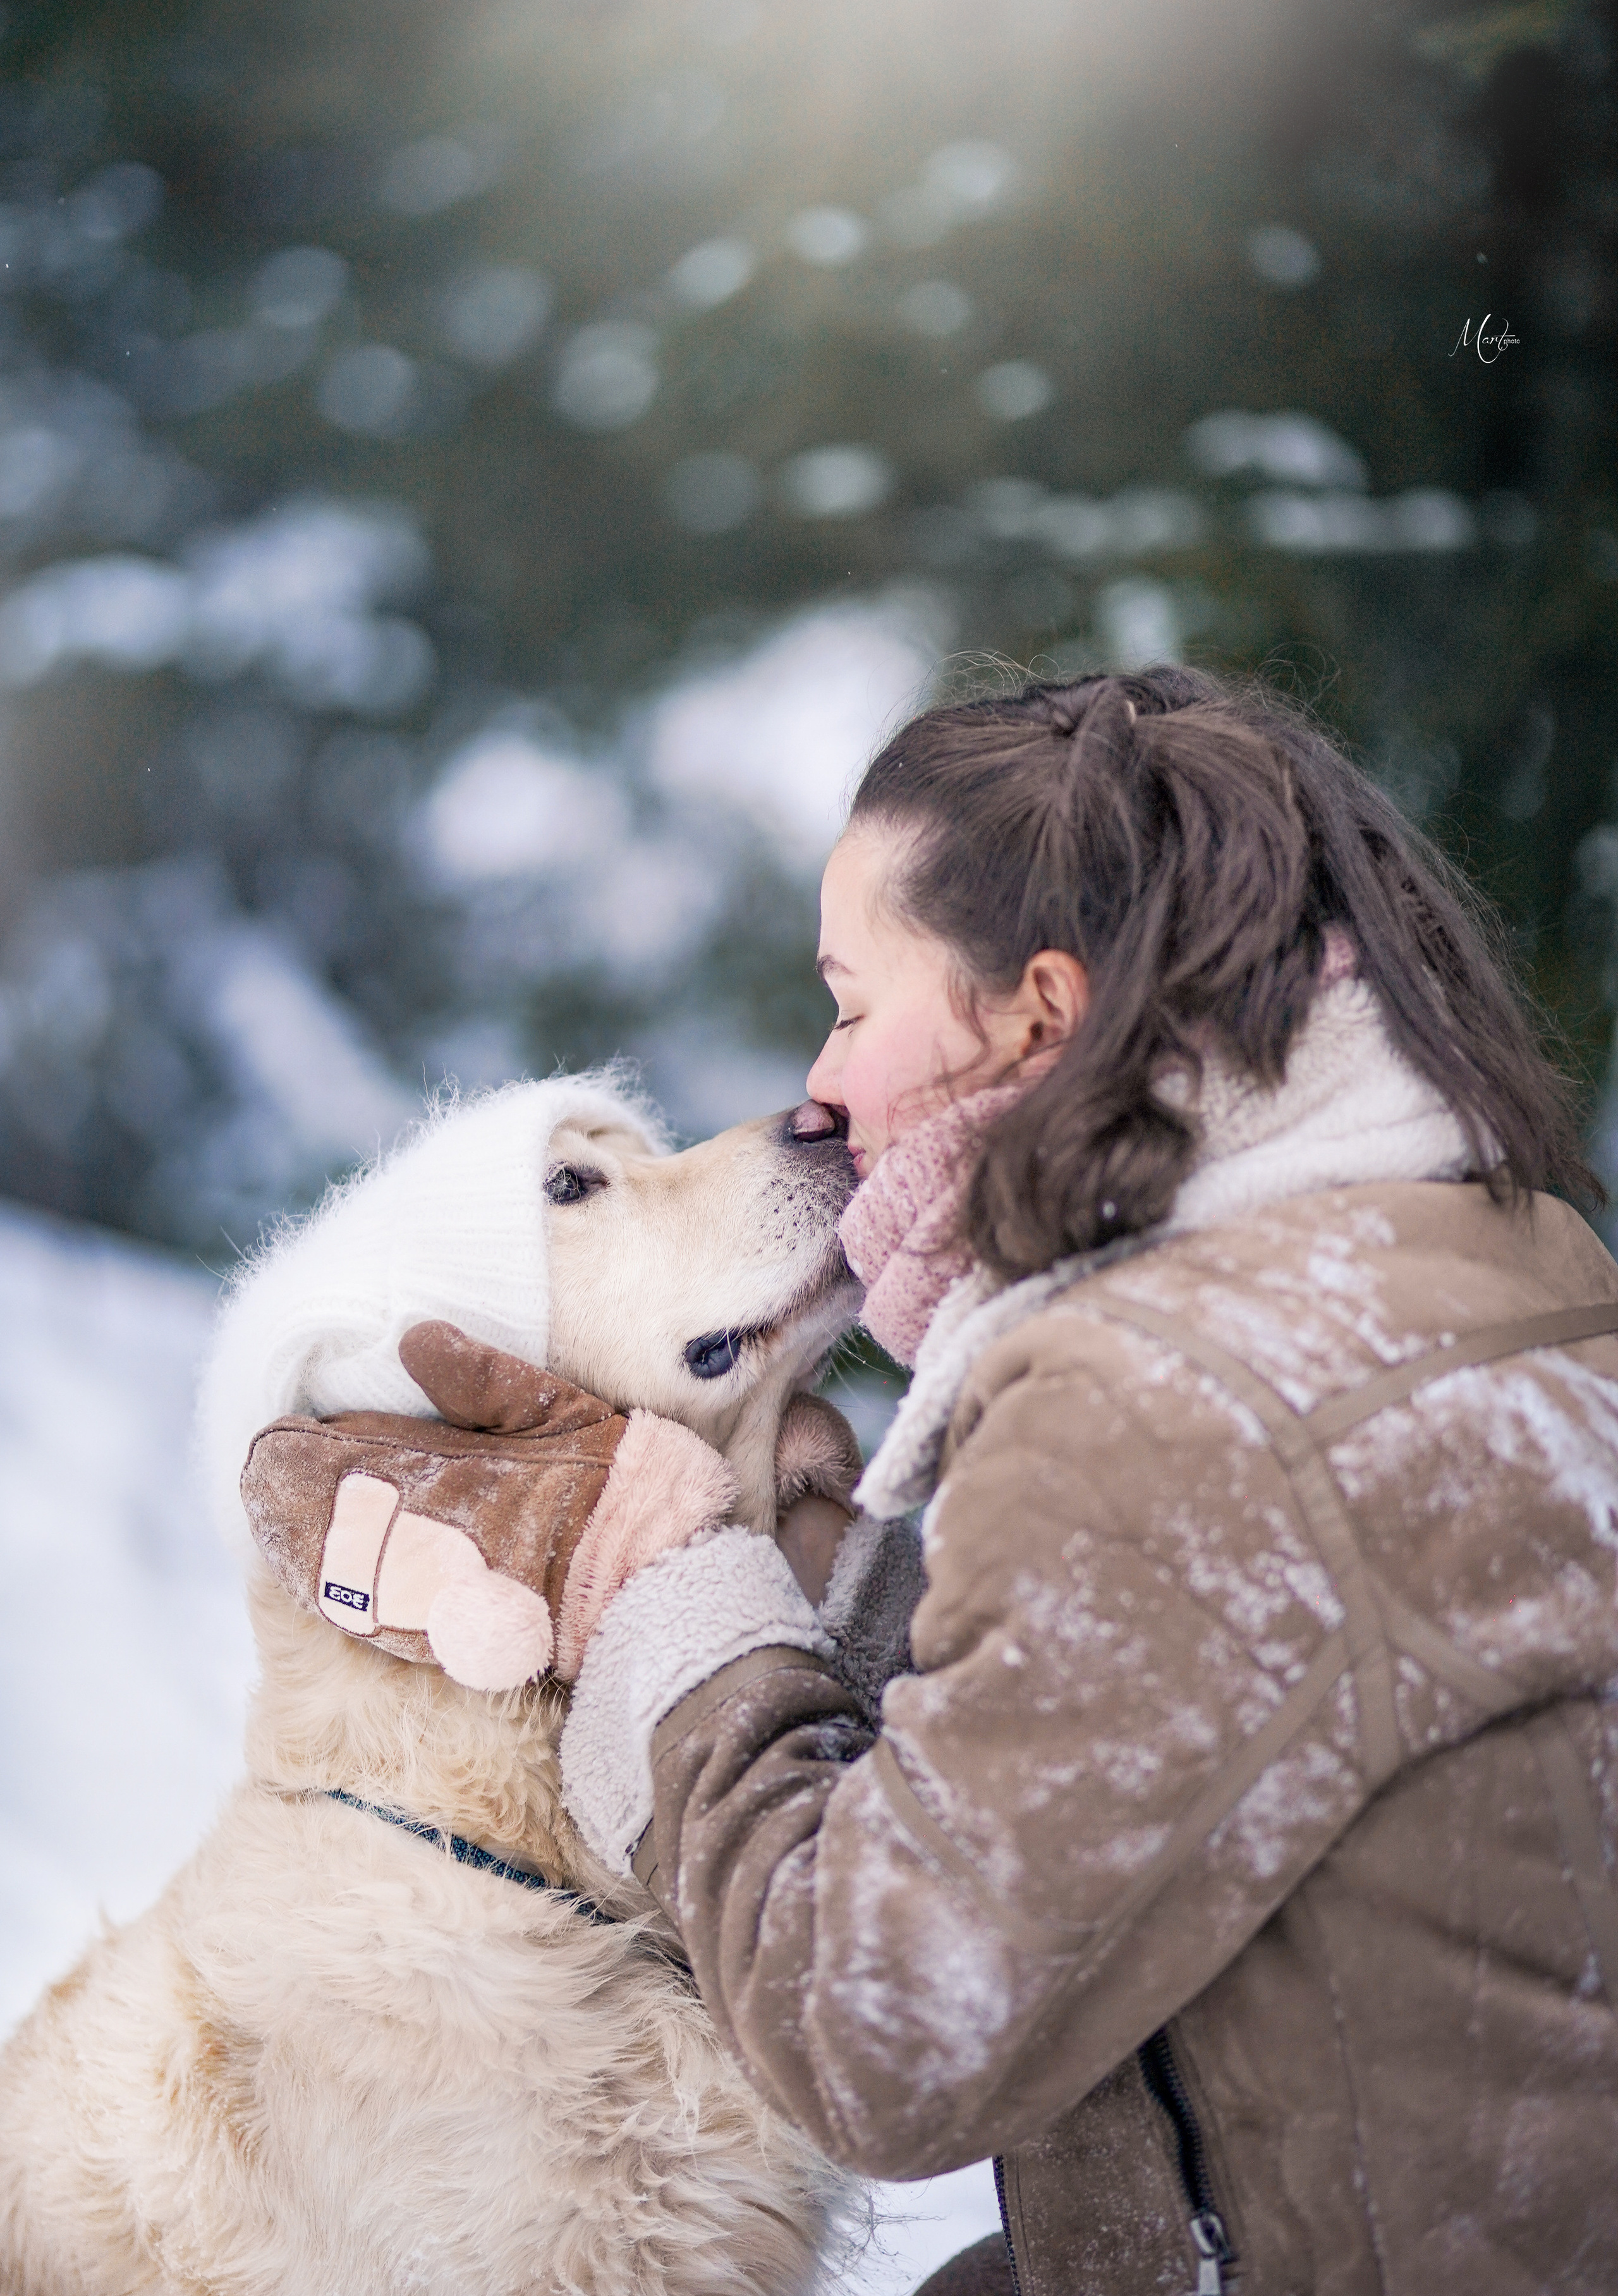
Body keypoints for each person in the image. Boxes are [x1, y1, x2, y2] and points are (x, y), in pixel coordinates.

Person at [266, 668, 1618, 2293]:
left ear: (1038, 1016)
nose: (816, 1087)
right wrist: (866, 1582)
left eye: (848, 1000)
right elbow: (1180, 1769)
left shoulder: (1164, 1402)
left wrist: (667, 1592)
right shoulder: (1479, 1253)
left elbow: (878, 2037)